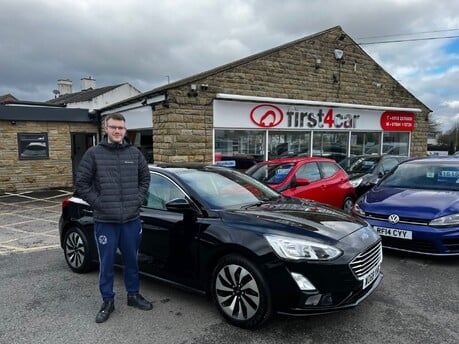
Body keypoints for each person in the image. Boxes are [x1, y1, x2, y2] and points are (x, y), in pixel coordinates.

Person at [75, 112, 152, 323]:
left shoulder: (135, 153)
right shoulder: (94, 154)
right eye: (113, 127)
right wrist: (100, 204)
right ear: (106, 129)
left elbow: (145, 179)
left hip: (131, 220)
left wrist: (136, 201)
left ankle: (133, 295)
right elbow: (81, 184)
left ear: (125, 130)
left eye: (121, 128)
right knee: (107, 263)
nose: (117, 131)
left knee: (131, 261)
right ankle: (107, 301)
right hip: (105, 222)